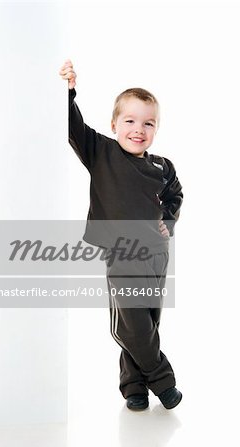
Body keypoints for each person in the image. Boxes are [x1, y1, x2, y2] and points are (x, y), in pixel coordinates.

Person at [59, 59, 183, 411]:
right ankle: (163, 379)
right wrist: (68, 92)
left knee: (147, 322)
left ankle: (134, 387)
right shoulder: (102, 152)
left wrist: (169, 220)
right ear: (114, 125)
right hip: (123, 252)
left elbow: (175, 195)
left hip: (158, 254)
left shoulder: (162, 165)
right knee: (129, 327)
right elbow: (72, 128)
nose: (138, 129)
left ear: (156, 129)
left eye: (148, 123)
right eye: (129, 121)